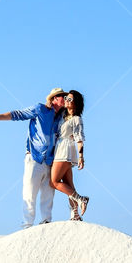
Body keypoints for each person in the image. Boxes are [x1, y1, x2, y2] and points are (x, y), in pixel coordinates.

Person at [0, 88, 67, 228]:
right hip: (34, 157)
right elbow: (18, 114)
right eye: (62, 96)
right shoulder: (40, 109)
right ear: (54, 99)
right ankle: (27, 225)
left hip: (50, 160)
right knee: (29, 192)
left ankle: (46, 222)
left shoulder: (61, 118)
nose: (65, 98)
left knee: (48, 193)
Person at [50, 90, 89, 221]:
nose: (66, 100)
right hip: (60, 148)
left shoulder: (77, 119)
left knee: (54, 181)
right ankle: (75, 214)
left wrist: (81, 156)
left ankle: (81, 199)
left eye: (70, 99)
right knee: (68, 184)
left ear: (76, 103)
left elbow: (79, 138)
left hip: (65, 150)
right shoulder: (62, 115)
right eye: (66, 98)